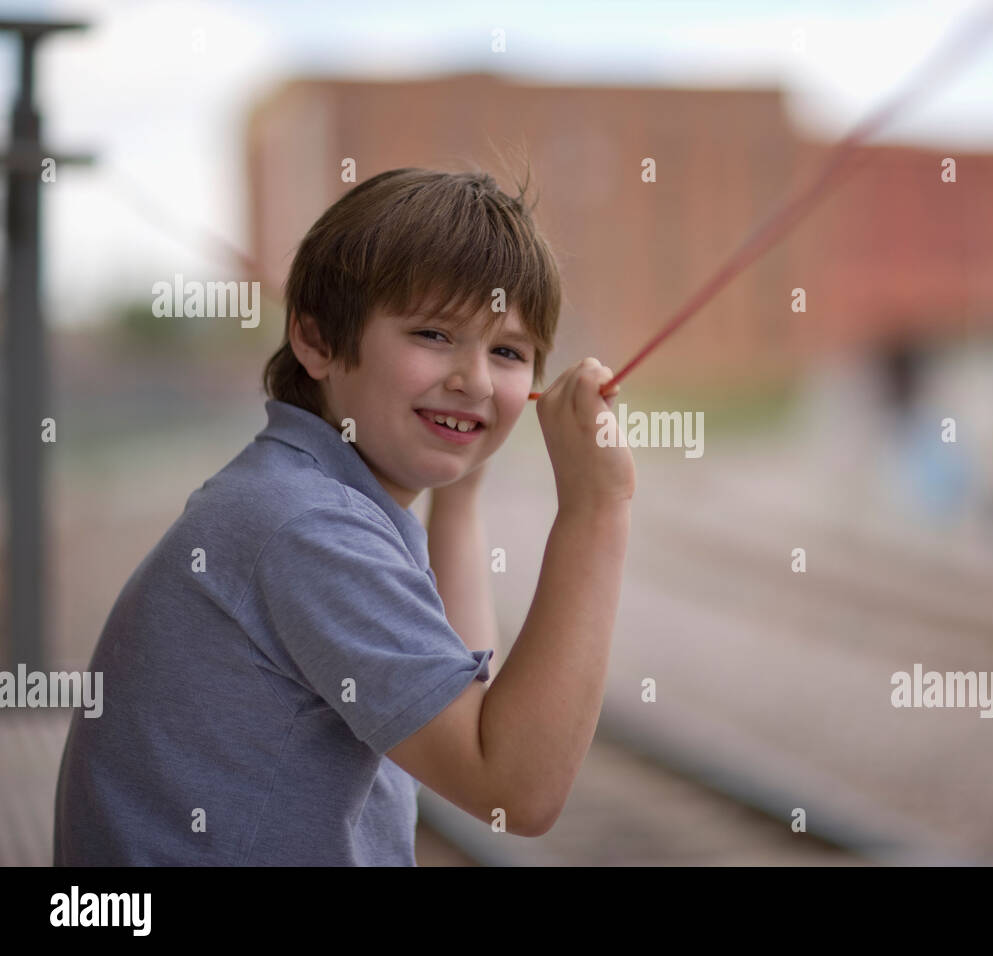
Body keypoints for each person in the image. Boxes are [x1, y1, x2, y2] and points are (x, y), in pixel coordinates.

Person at [53, 167, 635, 864]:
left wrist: (459, 493)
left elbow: (456, 690)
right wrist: (596, 510)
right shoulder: (309, 528)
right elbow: (516, 787)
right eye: (433, 333)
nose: (475, 380)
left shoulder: (304, 489)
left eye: (508, 351)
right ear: (317, 341)